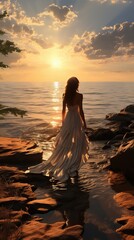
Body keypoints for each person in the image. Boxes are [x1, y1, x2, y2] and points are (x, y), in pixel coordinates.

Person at [26, 77, 89, 183]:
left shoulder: (65, 95)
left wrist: (63, 123)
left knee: (66, 141)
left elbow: (63, 111)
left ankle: (67, 162)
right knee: (78, 141)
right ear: (76, 85)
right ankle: (73, 166)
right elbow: (81, 110)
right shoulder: (80, 96)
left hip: (69, 119)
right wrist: (84, 123)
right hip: (76, 119)